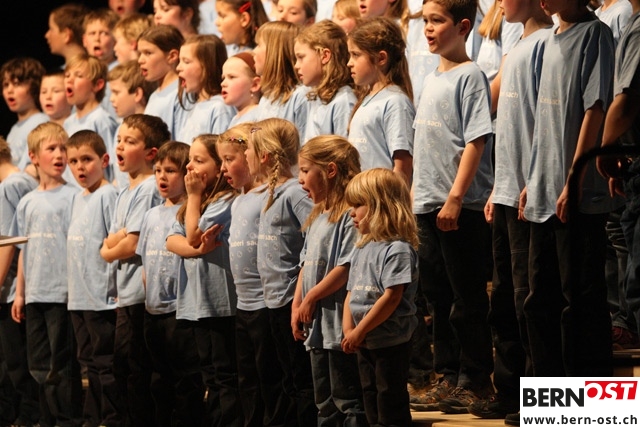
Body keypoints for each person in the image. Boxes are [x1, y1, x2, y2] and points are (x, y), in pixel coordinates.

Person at [522, 0, 615, 377]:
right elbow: (541, 117)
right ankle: (547, 394)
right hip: (543, 190)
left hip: (576, 194)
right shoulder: (547, 40)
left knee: (579, 301)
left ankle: (588, 398)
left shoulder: (595, 35)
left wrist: (574, 175)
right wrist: (532, 179)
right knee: (539, 300)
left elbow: (595, 107)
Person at [412, 0, 495, 413]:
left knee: (467, 298)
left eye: (437, 21)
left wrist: (456, 197)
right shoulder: (431, 77)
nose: (428, 28)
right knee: (438, 296)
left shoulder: (471, 75)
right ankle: (446, 376)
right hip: (427, 203)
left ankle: (475, 380)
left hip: (458, 207)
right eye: (425, 20)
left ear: (463, 26)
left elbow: (476, 140)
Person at [475, 0, 553, 420]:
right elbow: (505, 125)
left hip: (528, 193)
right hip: (505, 191)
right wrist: (497, 186)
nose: (500, 2)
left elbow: (543, 122)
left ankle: (537, 398)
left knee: (529, 299)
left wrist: (530, 180)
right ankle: (509, 391)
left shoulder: (547, 43)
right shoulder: (516, 43)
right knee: (503, 298)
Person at [166, 133, 242, 427]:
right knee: (209, 373)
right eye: (189, 161)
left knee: (225, 375)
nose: (189, 168)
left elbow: (191, 235)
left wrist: (195, 197)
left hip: (220, 302)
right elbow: (173, 241)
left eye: (198, 161)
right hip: (197, 302)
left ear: (219, 166)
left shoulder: (225, 200)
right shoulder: (191, 206)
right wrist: (197, 249)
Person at [100, 114, 170, 427]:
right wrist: (115, 241)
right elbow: (117, 235)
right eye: (119, 140)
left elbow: (131, 242)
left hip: (141, 294)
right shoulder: (125, 190)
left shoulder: (147, 188)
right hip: (126, 293)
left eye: (130, 141)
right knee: (125, 366)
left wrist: (107, 251)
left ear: (151, 153)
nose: (120, 146)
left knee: (136, 367)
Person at [10, 122, 83, 427]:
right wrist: (20, 294)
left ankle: (68, 419)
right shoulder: (27, 202)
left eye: (63, 148)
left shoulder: (74, 196)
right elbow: (23, 250)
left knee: (61, 363)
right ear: (33, 156)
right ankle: (47, 418)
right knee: (38, 364)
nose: (59, 155)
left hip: (62, 292)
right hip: (35, 293)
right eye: (51, 148)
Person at [292, 135, 366, 425]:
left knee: (346, 399)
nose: (300, 179)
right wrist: (297, 303)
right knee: (324, 403)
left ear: (330, 170)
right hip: (316, 326)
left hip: (338, 325)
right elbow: (305, 264)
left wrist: (311, 297)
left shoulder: (349, 214)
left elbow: (345, 267)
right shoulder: (317, 215)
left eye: (305, 170)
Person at [218, 124, 289, 426]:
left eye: (230, 159)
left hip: (265, 302)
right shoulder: (237, 201)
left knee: (269, 375)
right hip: (243, 304)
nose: (223, 168)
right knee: (247, 377)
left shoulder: (269, 196)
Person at [247, 118, 316, 425]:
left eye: (249, 149)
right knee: (288, 380)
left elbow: (316, 237)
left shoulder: (294, 193)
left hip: (292, 299)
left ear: (264, 155)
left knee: (301, 381)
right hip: (273, 301)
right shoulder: (271, 193)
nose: (245, 155)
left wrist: (301, 296)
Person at [341, 168, 419, 427]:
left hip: (390, 339)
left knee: (389, 398)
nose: (351, 212)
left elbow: (391, 298)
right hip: (364, 339)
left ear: (381, 206)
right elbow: (351, 292)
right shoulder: (362, 247)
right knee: (370, 395)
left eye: (358, 205)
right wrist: (349, 329)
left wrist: (359, 330)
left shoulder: (398, 249)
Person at [136, 141, 204, 427]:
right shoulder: (151, 215)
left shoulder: (189, 211)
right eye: (158, 170)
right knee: (159, 380)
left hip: (180, 312)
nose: (162, 177)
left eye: (171, 170)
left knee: (186, 381)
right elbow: (145, 263)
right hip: (153, 311)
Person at [65, 130, 120, 427]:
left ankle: (111, 418)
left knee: (105, 362)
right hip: (79, 297)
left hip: (102, 296)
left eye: (86, 159)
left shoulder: (108, 195)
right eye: (73, 161)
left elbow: (113, 241)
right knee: (88, 362)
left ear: (104, 160)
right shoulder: (78, 198)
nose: (80, 167)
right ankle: (92, 417)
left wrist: (113, 289)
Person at [346, 17, 414, 187]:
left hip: (382, 198)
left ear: (381, 58)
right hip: (362, 196)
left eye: (356, 55)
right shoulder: (367, 98)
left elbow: (403, 166)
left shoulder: (395, 102)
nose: (349, 63)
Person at [0, 138, 40, 427]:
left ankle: (26, 416)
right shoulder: (25, 180)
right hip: (22, 285)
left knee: (15, 361)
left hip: (12, 286)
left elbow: (8, 242)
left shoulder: (9, 186)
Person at [294, 20, 356, 143]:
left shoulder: (343, 101)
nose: (296, 66)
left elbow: (345, 151)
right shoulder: (315, 96)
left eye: (301, 57)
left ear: (325, 56)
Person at [253, 21, 310, 138]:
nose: (253, 51)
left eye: (258, 45)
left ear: (275, 51)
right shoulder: (266, 97)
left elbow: (304, 142)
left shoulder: (300, 96)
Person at [176, 35, 235, 144]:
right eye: (180, 61)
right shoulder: (194, 106)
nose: (178, 68)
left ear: (208, 66)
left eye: (186, 62)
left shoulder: (220, 108)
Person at [108, 60, 158, 188]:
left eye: (116, 92)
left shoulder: (151, 130)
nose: (111, 99)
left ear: (137, 94)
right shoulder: (120, 129)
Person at [62, 54, 118, 161]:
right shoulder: (68, 122)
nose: (69, 80)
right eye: (67, 75)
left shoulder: (101, 120)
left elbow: (111, 162)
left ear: (98, 85)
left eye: (79, 76)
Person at [138, 25, 186, 139]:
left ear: (172, 56)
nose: (140, 60)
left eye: (148, 53)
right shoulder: (155, 95)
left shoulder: (181, 93)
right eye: (140, 53)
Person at [1, 57, 48, 171]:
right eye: (6, 85)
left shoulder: (41, 122)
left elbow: (28, 168)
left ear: (34, 87)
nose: (9, 90)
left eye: (16, 84)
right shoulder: (14, 128)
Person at [221, 52, 262, 126]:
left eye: (232, 77)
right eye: (223, 78)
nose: (223, 84)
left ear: (254, 85)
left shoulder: (259, 117)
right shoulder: (235, 119)